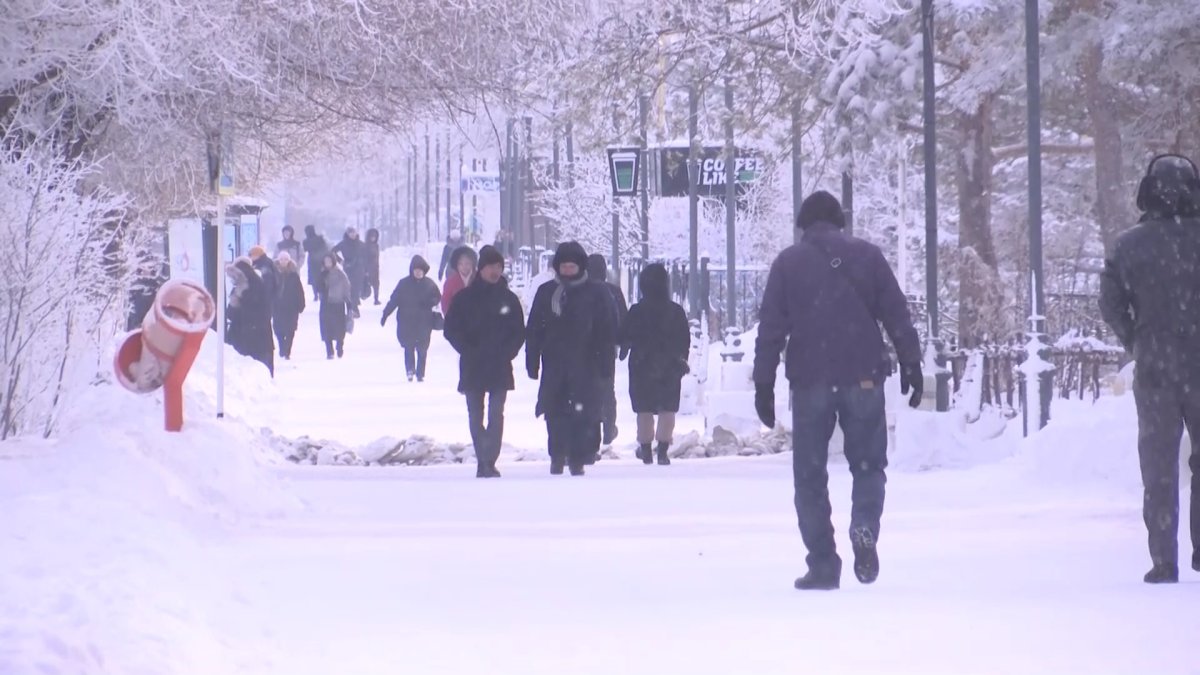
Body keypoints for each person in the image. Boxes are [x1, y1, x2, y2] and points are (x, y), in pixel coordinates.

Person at [753, 191, 922, 591]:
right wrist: (911, 362)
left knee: (809, 474)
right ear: (839, 222)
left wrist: (763, 383)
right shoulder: (868, 256)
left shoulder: (788, 264)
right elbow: (897, 312)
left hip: (811, 379)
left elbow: (771, 329)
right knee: (868, 465)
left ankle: (824, 564)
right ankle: (864, 526)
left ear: (803, 225)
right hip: (863, 374)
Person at [1099, 153, 1200, 584]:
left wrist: (1137, 339)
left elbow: (1110, 302)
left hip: (1156, 368)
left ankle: (1164, 558)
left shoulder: (1129, 245)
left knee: (1158, 465)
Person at [525, 241, 618, 476]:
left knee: (584, 414)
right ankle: (557, 455)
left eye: (571, 266)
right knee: (555, 413)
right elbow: (535, 328)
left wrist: (606, 362)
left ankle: (578, 457)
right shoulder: (547, 292)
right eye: (563, 266)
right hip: (555, 363)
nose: (567, 270)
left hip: (587, 363)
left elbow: (607, 329)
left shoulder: (597, 292)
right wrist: (532, 359)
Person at [444, 245, 526, 478]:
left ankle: (490, 458)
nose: (495, 271)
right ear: (481, 269)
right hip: (473, 364)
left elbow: (519, 331)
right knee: (475, 413)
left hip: (499, 363)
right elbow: (451, 329)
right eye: (491, 266)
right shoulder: (464, 299)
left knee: (496, 413)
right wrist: (467, 349)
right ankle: (483, 457)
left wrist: (508, 352)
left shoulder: (509, 299)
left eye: (499, 267)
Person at [619, 263, 690, 466]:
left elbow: (624, 335)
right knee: (667, 408)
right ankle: (663, 449)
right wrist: (680, 359)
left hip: (642, 365)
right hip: (670, 366)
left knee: (644, 409)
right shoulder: (676, 312)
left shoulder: (637, 311)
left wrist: (626, 347)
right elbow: (684, 338)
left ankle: (645, 448)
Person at [587, 253, 628, 445]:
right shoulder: (613, 291)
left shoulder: (582, 291)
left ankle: (593, 425)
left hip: (585, 348)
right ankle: (609, 427)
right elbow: (623, 318)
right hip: (607, 348)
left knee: (589, 390)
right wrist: (623, 344)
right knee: (607, 390)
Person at [381, 255, 442, 382]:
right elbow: (394, 300)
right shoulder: (403, 284)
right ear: (412, 270)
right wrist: (386, 313)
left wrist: (430, 303)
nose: (418, 272)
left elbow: (438, 299)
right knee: (408, 347)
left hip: (424, 322)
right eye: (416, 270)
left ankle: (420, 373)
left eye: (421, 270)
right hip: (406, 321)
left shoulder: (430, 284)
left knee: (422, 348)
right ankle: (410, 370)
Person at [225, 257, 275, 376]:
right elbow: (231, 314)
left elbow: (263, 313)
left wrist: (240, 301)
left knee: (256, 375)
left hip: (254, 339)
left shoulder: (256, 288)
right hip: (254, 340)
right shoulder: (238, 290)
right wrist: (234, 303)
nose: (233, 280)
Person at [316, 253, 352, 359]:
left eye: (329, 261)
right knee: (326, 328)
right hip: (326, 303)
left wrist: (348, 303)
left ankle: (339, 346)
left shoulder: (340, 273)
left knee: (339, 328)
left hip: (338, 303)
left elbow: (346, 287)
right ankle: (329, 351)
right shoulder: (322, 273)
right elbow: (318, 288)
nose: (327, 263)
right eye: (325, 261)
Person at [273, 252, 306, 360]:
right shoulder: (274, 274)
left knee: (290, 329)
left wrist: (301, 304)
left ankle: (287, 351)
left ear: (289, 261)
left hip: (292, 307)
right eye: (281, 259)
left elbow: (299, 291)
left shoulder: (293, 275)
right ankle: (282, 346)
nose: (283, 261)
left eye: (286, 259)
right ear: (278, 260)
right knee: (278, 329)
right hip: (278, 306)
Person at [333, 227, 366, 317]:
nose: (352, 235)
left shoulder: (361, 244)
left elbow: (367, 256)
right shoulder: (343, 244)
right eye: (350, 233)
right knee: (349, 290)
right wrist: (340, 261)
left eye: (354, 233)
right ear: (347, 234)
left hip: (359, 269)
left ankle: (354, 309)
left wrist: (366, 269)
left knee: (356, 290)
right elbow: (332, 252)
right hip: (348, 269)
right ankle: (352, 309)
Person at [440, 245, 477, 316]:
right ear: (456, 265)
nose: (464, 267)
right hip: (458, 322)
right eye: (460, 264)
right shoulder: (450, 282)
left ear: (472, 263)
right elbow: (445, 303)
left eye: (467, 263)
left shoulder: (480, 279)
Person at [303, 225, 330, 301]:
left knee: (314, 278)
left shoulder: (306, 241)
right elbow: (325, 247)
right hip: (320, 259)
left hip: (312, 260)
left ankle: (316, 294)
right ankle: (320, 293)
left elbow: (306, 249)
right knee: (320, 276)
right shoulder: (320, 238)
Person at [365, 227, 382, 305]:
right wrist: (365, 270)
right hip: (368, 268)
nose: (373, 238)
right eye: (371, 236)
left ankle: (376, 299)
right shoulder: (365, 246)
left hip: (375, 268)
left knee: (376, 284)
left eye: (374, 236)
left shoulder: (376, 246)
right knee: (366, 284)